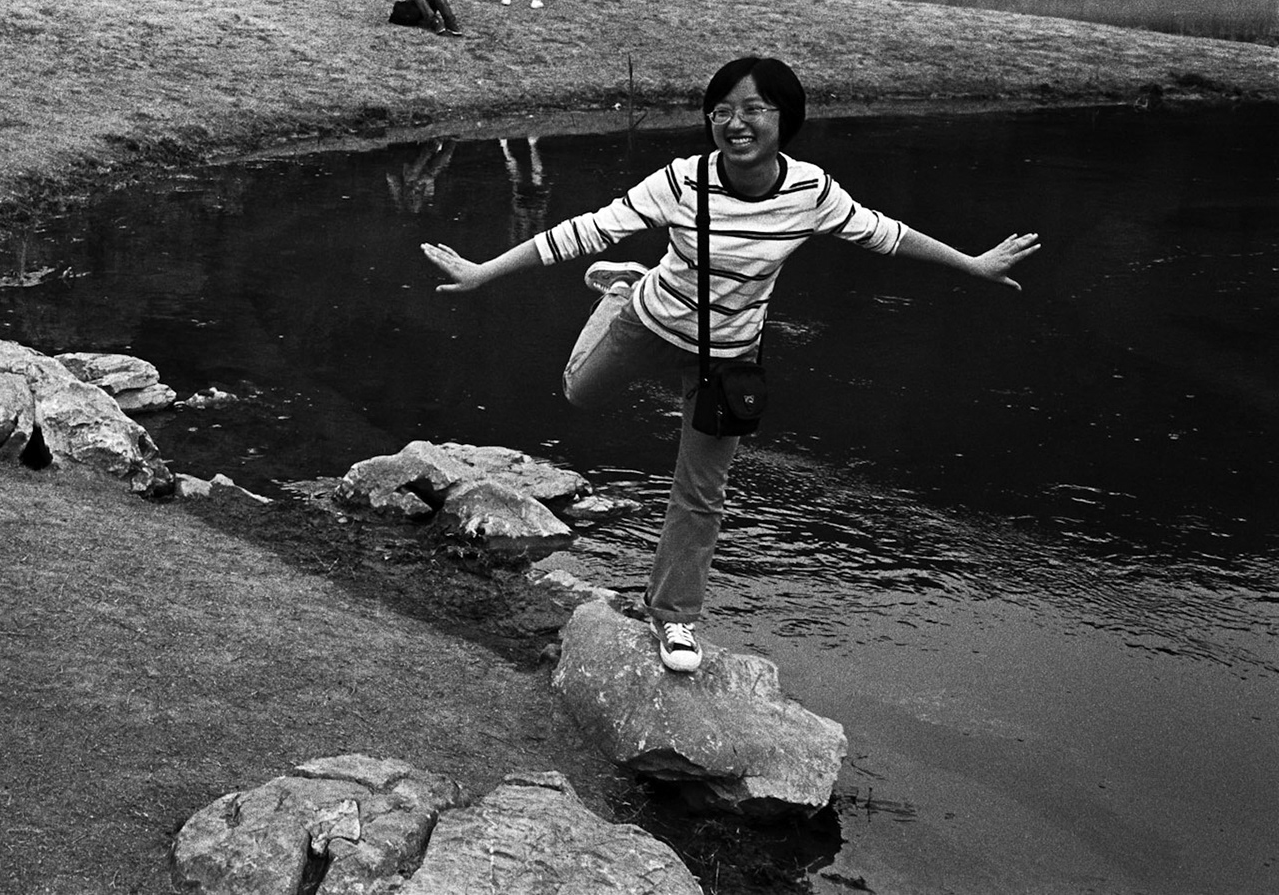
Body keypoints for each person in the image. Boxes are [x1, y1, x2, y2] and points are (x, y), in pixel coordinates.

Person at [420, 57, 1040, 673]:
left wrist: (972, 263)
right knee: (581, 394)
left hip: (730, 354)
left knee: (701, 490)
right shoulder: (681, 181)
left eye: (753, 110)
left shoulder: (812, 192)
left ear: (784, 119)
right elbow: (585, 231)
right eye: (722, 111)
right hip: (654, 319)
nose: (735, 123)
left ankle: (675, 618)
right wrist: (483, 272)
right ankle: (621, 293)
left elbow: (887, 233)